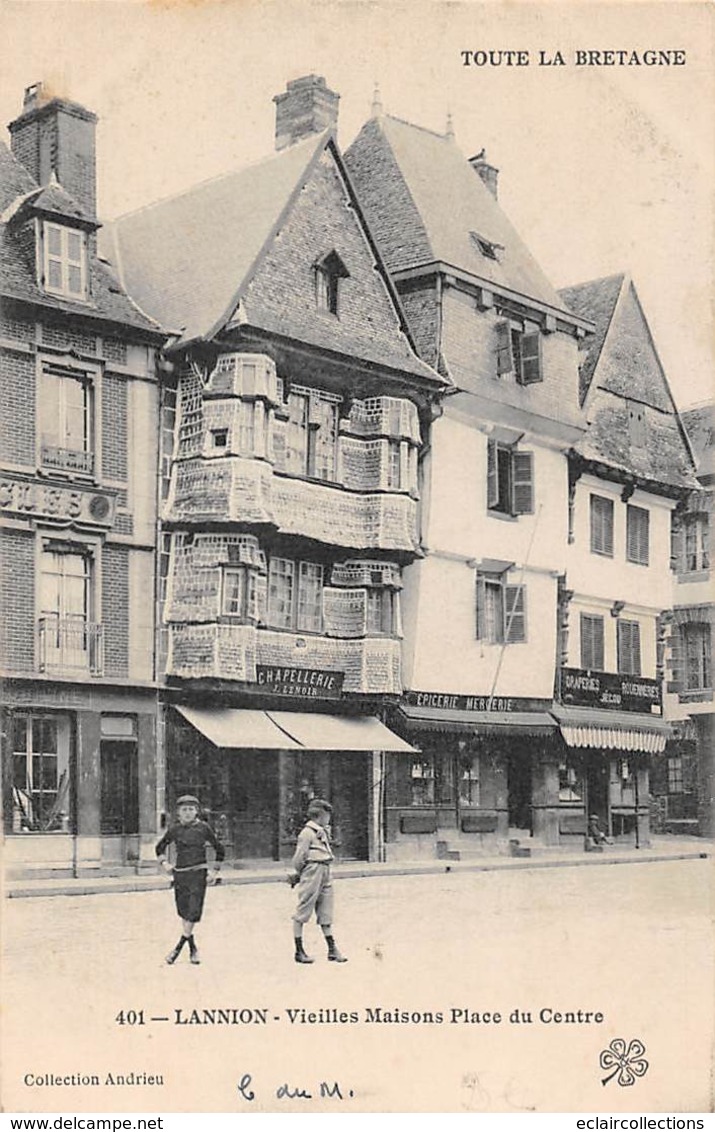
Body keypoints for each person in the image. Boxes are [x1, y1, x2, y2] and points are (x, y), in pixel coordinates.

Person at [156, 795, 225, 965]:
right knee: (184, 911)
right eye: (184, 810)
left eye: (191, 809)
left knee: (193, 912)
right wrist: (164, 863)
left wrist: (214, 872)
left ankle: (177, 949)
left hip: (198, 874)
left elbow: (219, 849)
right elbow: (160, 847)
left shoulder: (204, 828)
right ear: (178, 813)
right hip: (180, 875)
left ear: (196, 812)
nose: (188, 813)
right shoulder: (175, 830)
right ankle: (193, 947)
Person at [287, 798, 347, 964]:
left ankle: (332, 949)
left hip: (325, 869)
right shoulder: (306, 834)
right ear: (320, 816)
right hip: (313, 870)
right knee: (303, 909)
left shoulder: (321, 831)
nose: (329, 819)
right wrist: (301, 873)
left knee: (326, 910)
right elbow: (299, 858)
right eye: (327, 816)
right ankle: (299, 951)